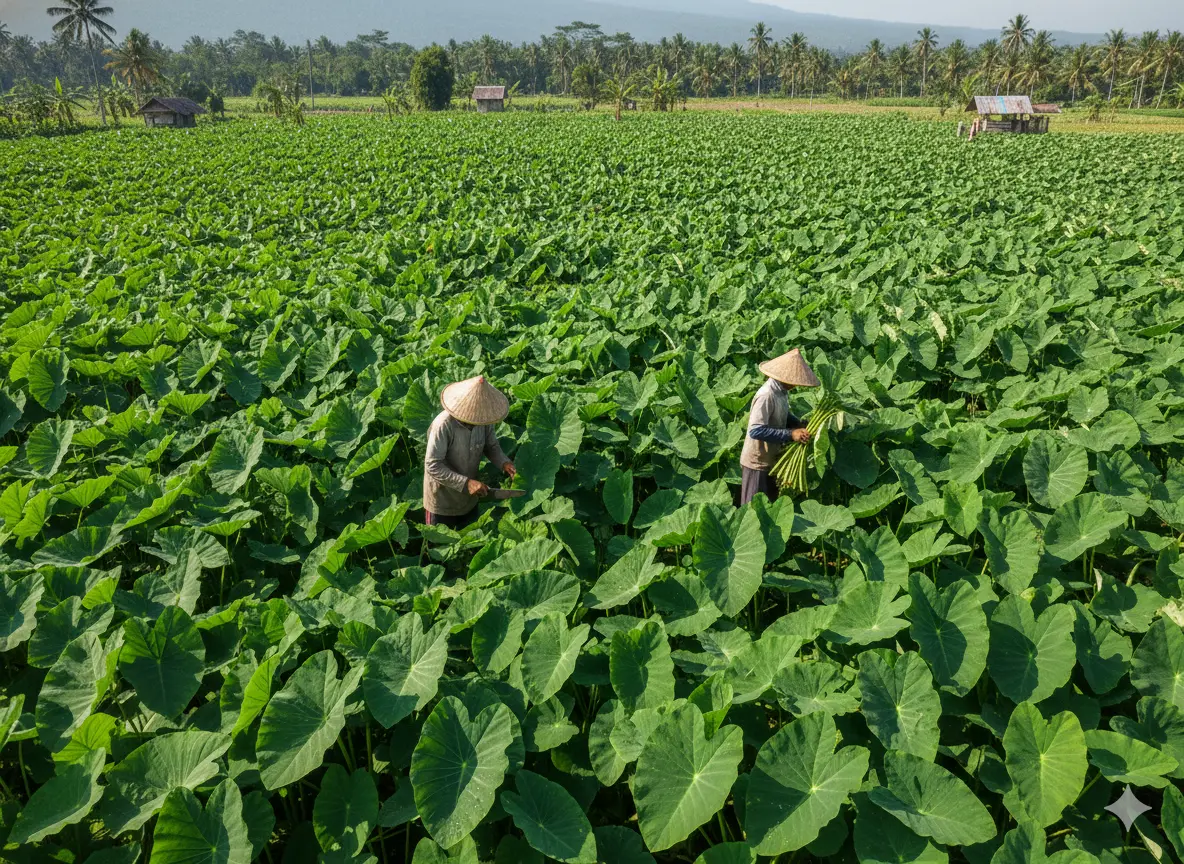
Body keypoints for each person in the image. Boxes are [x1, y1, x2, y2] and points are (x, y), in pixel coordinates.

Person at [423, 375, 516, 528]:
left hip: (470, 497)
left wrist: (504, 463)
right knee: (439, 548)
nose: (479, 420)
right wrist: (466, 483)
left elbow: (491, 446)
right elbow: (433, 465)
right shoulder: (443, 425)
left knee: (469, 543)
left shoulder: (484, 419)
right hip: (442, 498)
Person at [739, 348, 820, 505]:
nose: (796, 384)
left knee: (770, 511)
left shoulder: (781, 392)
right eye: (794, 380)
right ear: (785, 377)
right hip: (757, 463)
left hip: (772, 460)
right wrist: (791, 435)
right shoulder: (766, 395)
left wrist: (797, 423)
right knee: (752, 511)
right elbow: (756, 430)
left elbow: (782, 414)